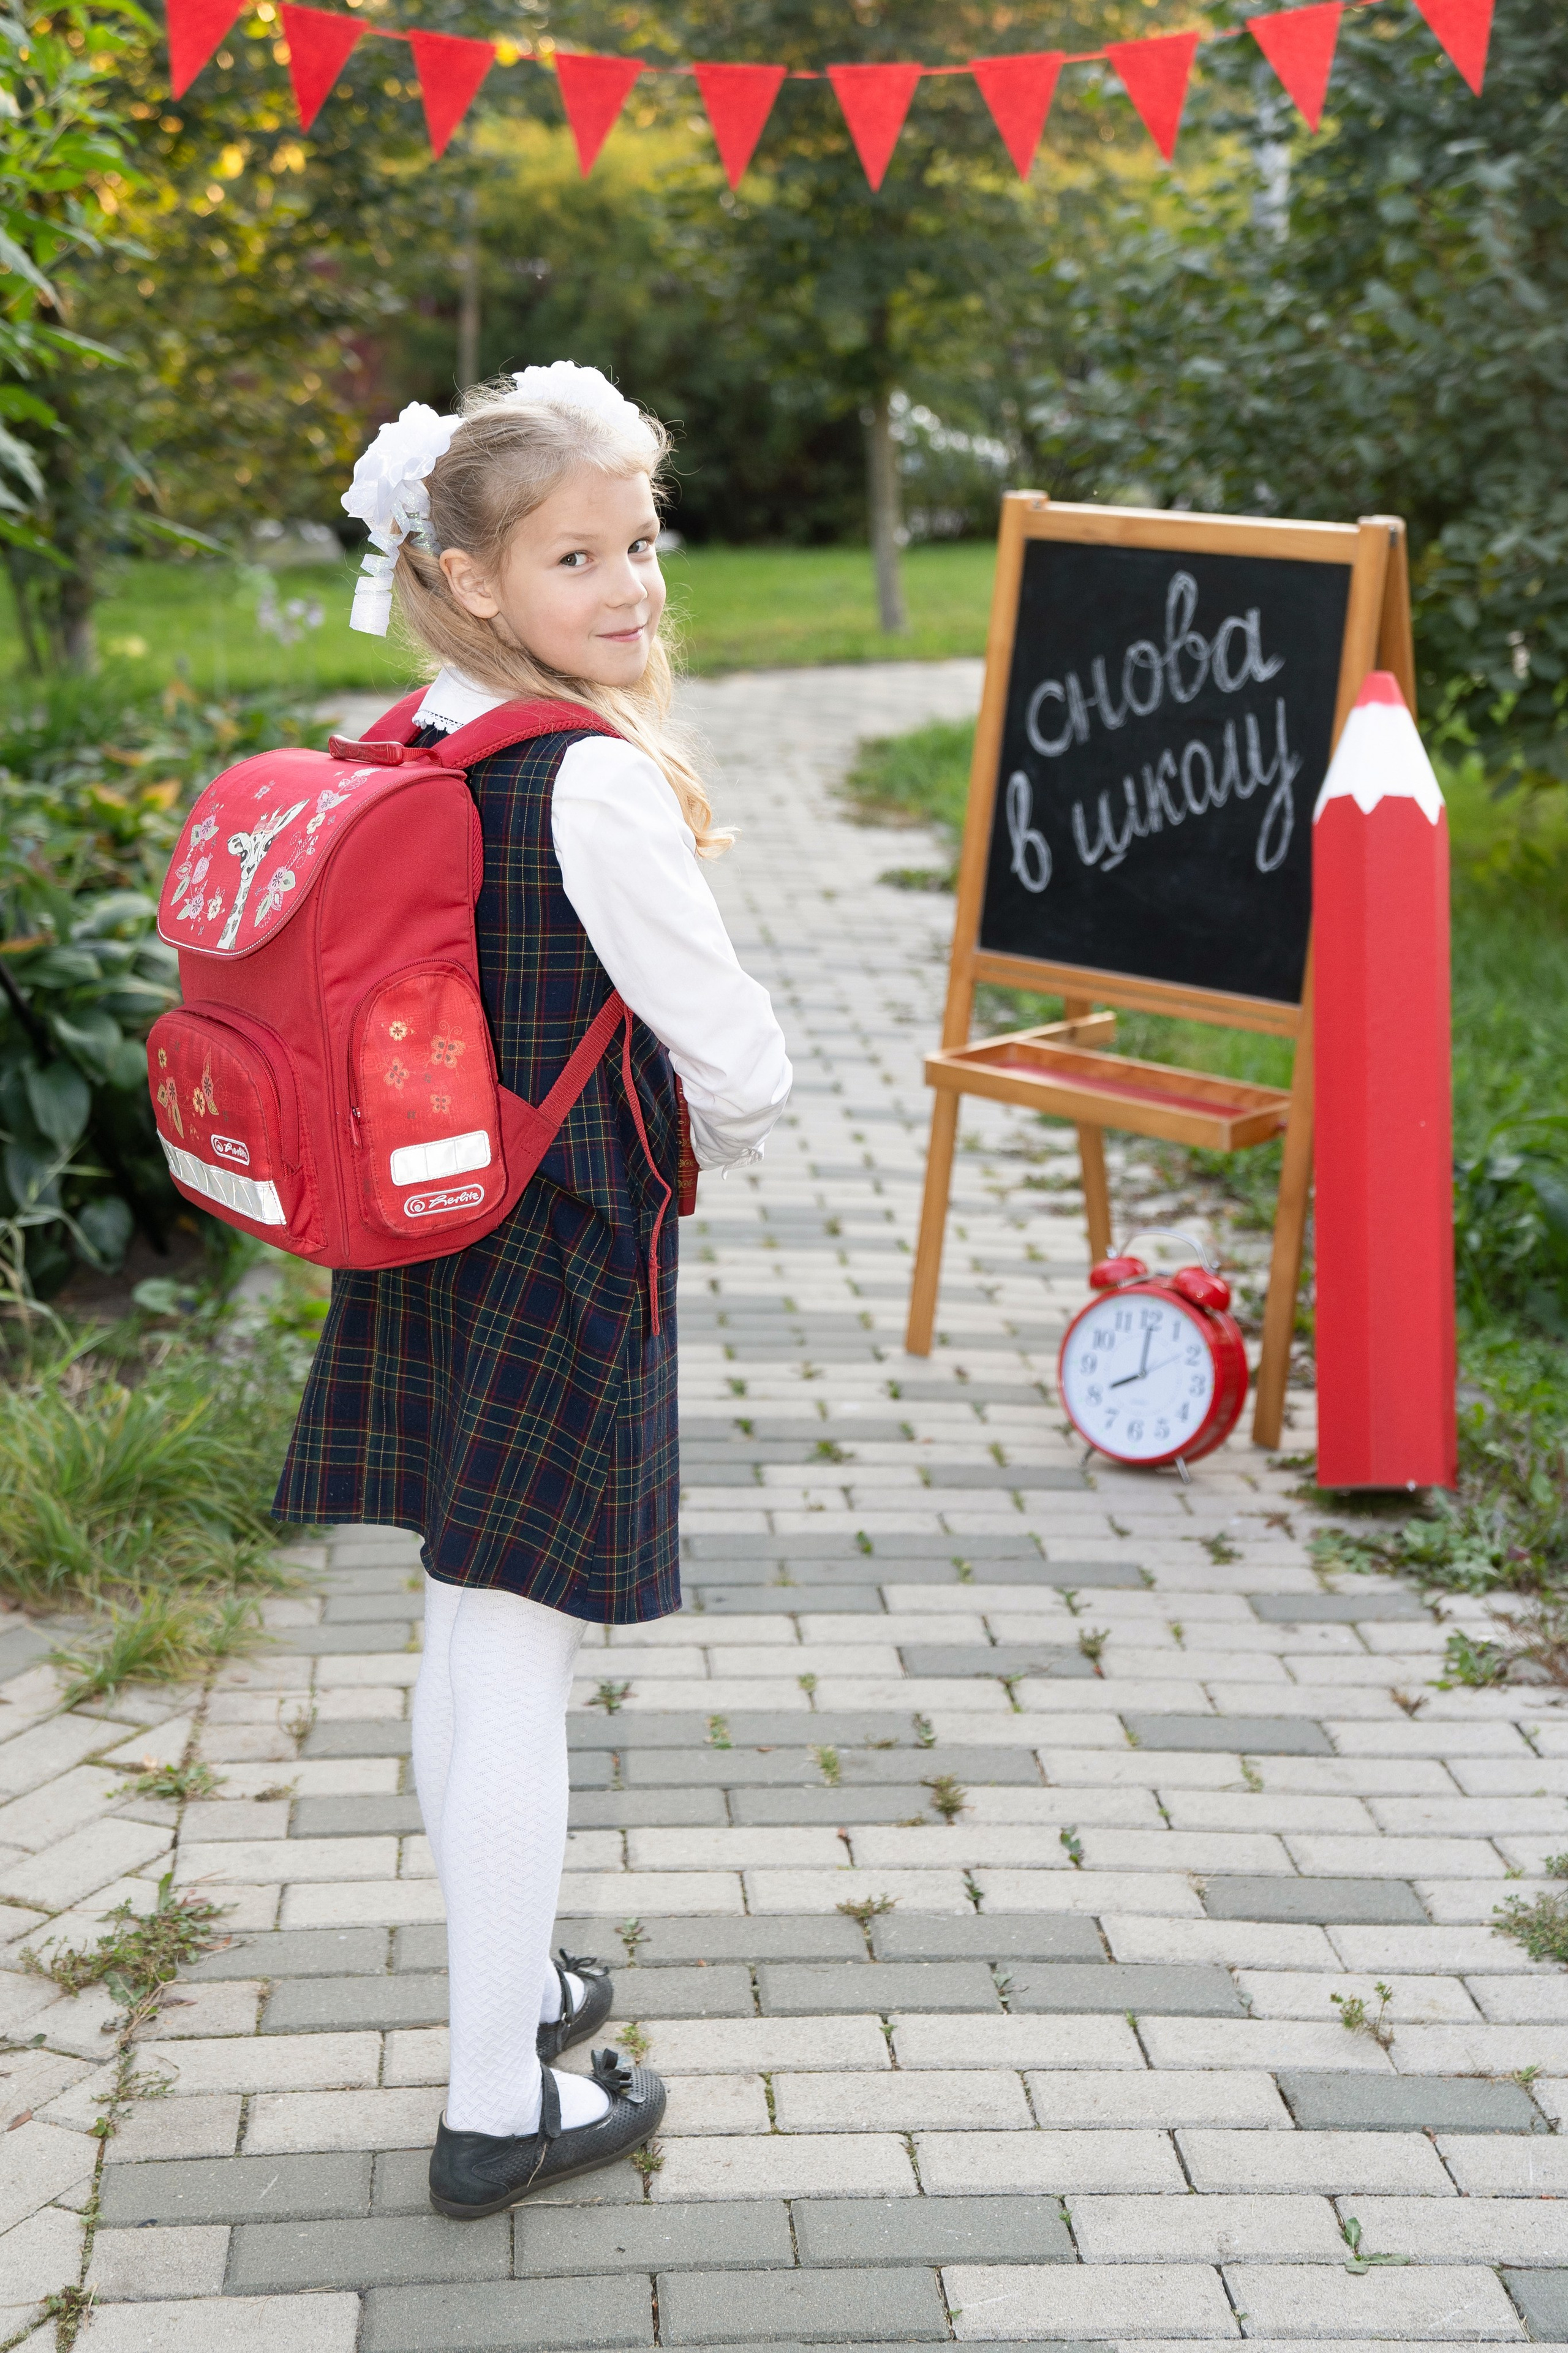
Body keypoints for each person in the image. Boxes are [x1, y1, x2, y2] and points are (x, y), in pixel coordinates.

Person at [274, 364, 792, 2219]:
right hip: (563, 1244)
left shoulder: (418, 725)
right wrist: (744, 1106)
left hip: (428, 1226)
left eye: (640, 542)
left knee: (459, 1621)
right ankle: (501, 2098)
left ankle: (521, 1980)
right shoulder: (592, 777)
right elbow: (731, 1047)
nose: (631, 582)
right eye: (579, 552)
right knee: (514, 1660)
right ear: (479, 577)